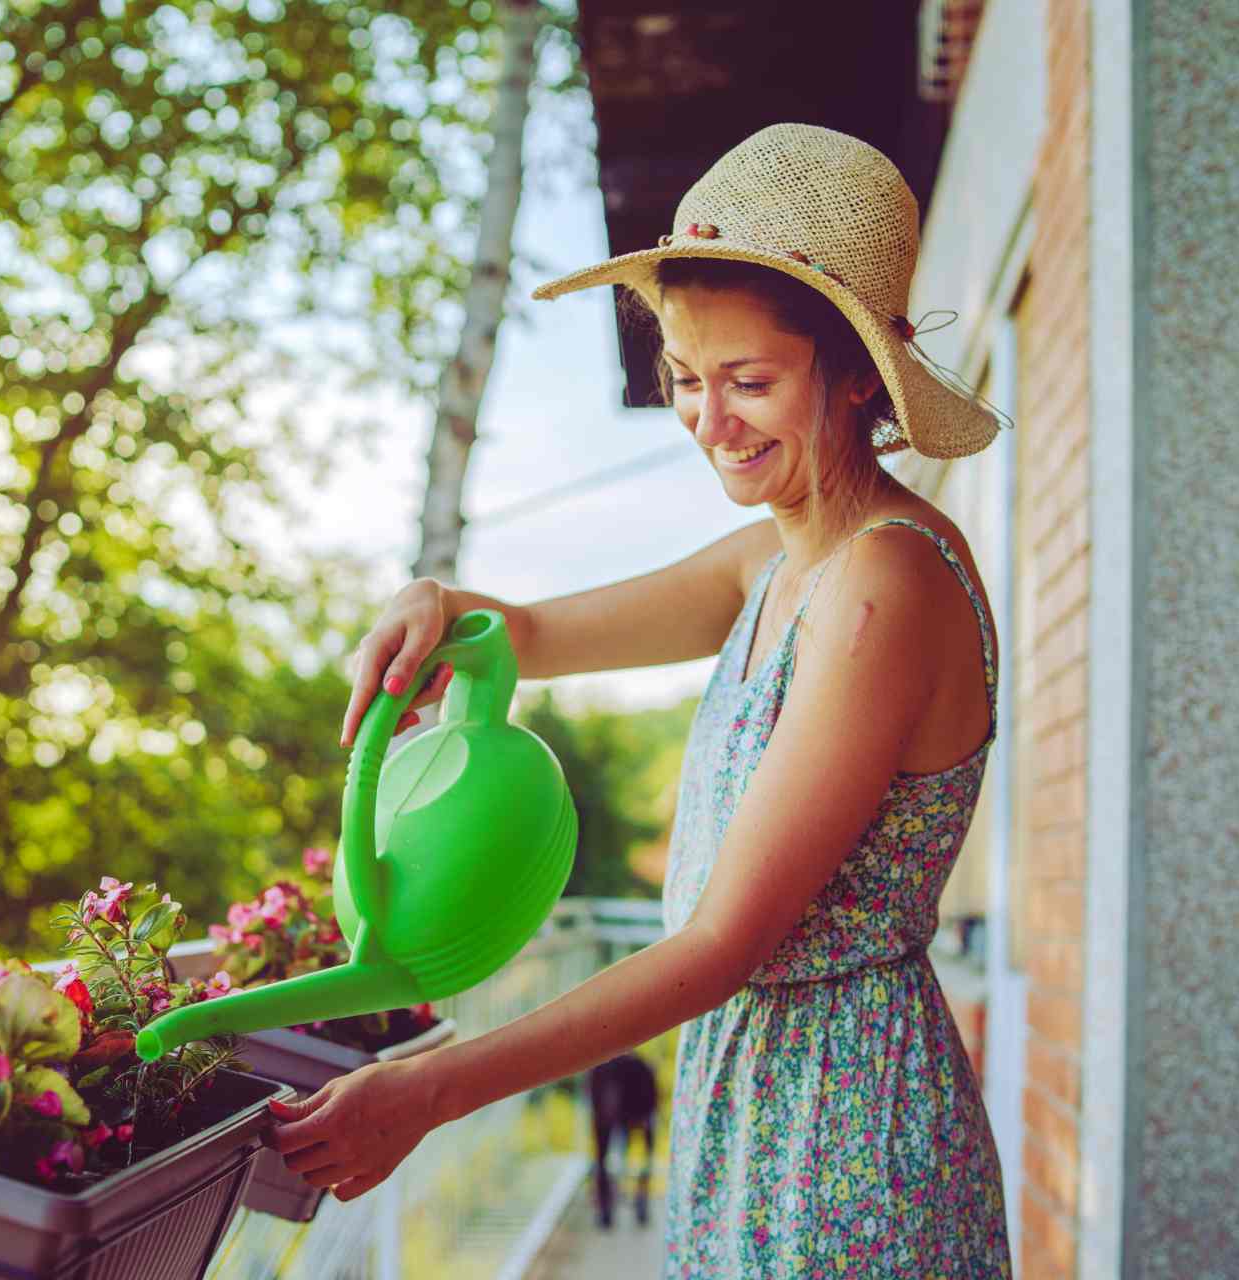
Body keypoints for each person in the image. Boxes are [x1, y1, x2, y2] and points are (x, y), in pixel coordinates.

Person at [264, 123, 1012, 1278]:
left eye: (749, 382)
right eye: (684, 379)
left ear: (858, 371)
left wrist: (426, 1090)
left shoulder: (883, 582)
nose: (708, 421)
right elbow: (527, 632)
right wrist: (435, 601)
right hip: (753, 1094)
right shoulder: (775, 559)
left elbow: (720, 944)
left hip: (842, 1122)